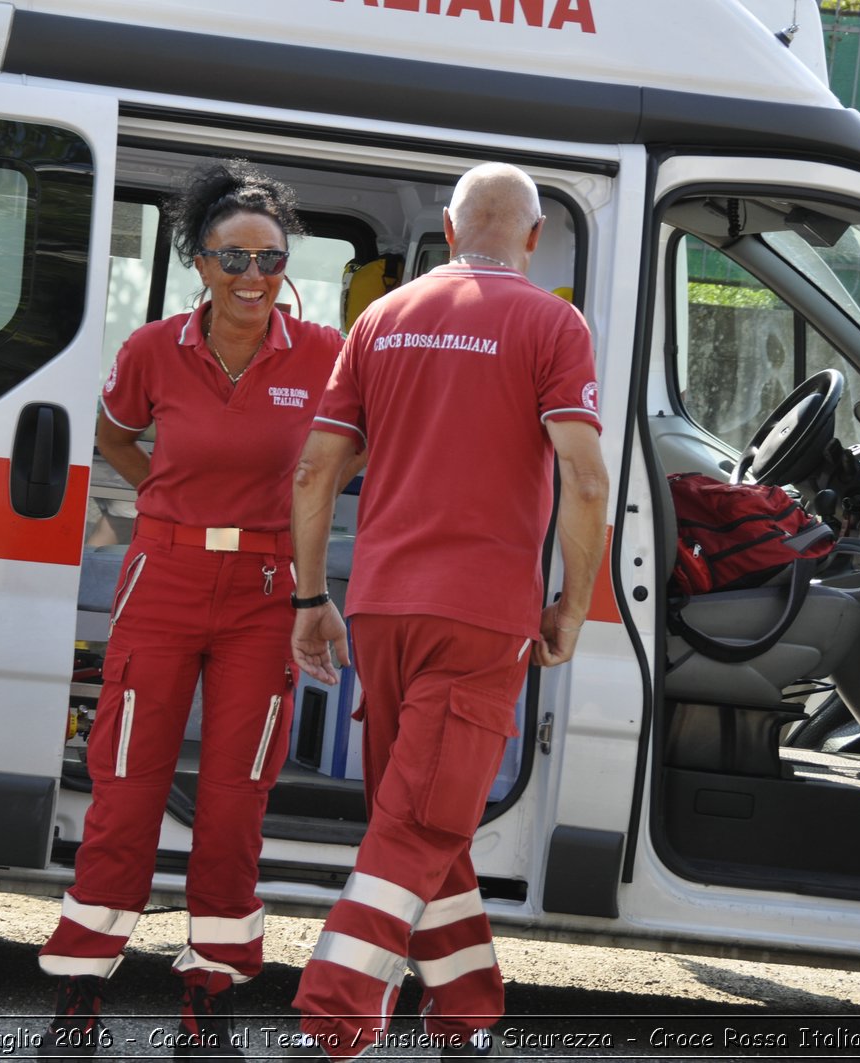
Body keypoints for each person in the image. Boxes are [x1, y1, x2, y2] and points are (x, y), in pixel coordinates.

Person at [283, 163, 610, 1059]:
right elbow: (584, 477)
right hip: (480, 617)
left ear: (452, 230)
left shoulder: (380, 320)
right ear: (534, 239)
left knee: (425, 815)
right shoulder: (552, 323)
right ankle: (333, 1023)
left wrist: (313, 597)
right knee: (423, 822)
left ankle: (464, 1017)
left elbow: (315, 471)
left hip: (384, 609)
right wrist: (573, 606)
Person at [36, 159, 345, 1059]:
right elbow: (108, 435)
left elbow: (347, 454)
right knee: (126, 785)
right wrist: (159, 492)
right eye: (233, 259)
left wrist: (302, 515)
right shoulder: (150, 350)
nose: (254, 279)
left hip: (266, 592)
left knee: (234, 799)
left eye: (271, 259)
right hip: (163, 577)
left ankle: (209, 996)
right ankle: (81, 991)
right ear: (198, 263)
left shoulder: (325, 354)